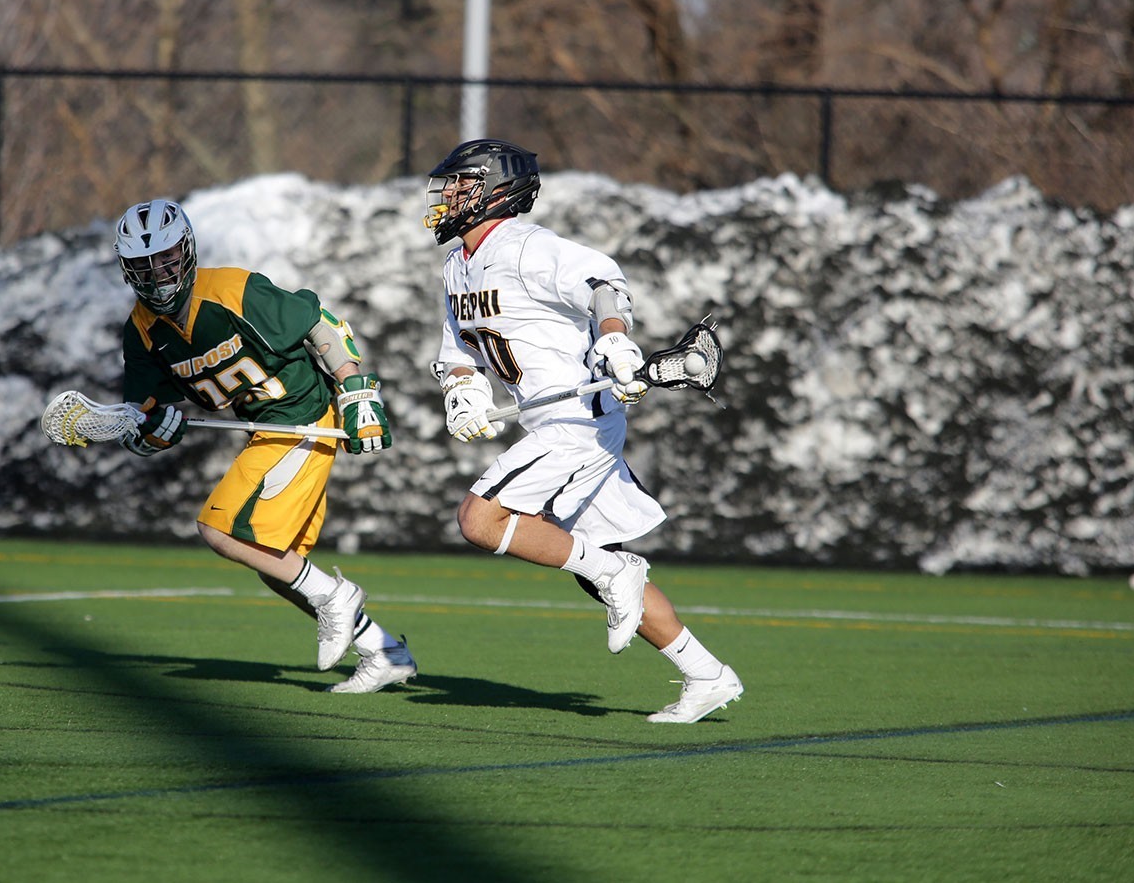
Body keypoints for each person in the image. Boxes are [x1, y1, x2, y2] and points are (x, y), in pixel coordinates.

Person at [423, 139, 742, 723]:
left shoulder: (526, 246)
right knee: (596, 567)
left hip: (577, 424)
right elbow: (460, 349)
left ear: (496, 190)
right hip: (548, 419)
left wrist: (615, 338)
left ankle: (618, 572)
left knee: (480, 519)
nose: (447, 195)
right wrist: (463, 390)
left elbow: (604, 286)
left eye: (461, 183)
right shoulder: (456, 265)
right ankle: (707, 674)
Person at [112, 198, 416, 694]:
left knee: (220, 529)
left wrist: (357, 391)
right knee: (275, 564)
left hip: (301, 421)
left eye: (166, 259)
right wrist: (149, 433)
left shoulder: (232, 290)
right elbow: (146, 417)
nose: (158, 275)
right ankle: (385, 652)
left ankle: (338, 600)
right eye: (144, 266)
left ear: (186, 252)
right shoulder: (143, 331)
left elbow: (321, 323)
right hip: (265, 430)